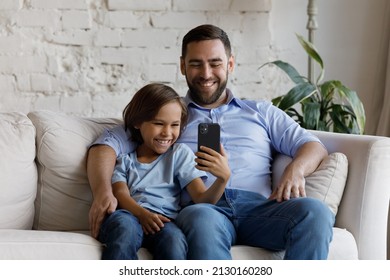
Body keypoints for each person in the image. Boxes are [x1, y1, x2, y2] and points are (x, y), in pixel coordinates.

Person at [87, 24, 334, 260]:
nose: (206, 74)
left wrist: (295, 169)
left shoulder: (261, 111)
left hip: (259, 208)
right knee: (200, 217)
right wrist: (103, 192)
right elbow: (106, 145)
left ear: (230, 64)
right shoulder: (168, 116)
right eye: (196, 64)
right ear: (183, 66)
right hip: (204, 209)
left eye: (215, 63)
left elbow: (313, 146)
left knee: (316, 212)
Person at [97, 83, 230, 259]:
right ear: (138, 122)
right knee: (124, 230)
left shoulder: (179, 154)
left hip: (163, 222)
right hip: (129, 215)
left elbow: (202, 199)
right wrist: (142, 214)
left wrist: (223, 179)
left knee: (174, 241)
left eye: (174, 125)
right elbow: (121, 194)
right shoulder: (125, 160)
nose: (167, 133)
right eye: (159, 123)